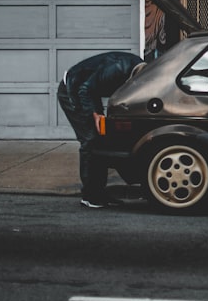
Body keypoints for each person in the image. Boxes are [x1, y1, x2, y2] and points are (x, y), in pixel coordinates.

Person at [57, 52, 146, 208]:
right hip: (72, 91)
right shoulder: (118, 69)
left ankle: (99, 192)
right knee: (90, 139)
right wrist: (95, 114)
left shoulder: (140, 70)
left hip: (90, 93)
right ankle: (90, 196)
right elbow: (84, 89)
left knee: (103, 140)